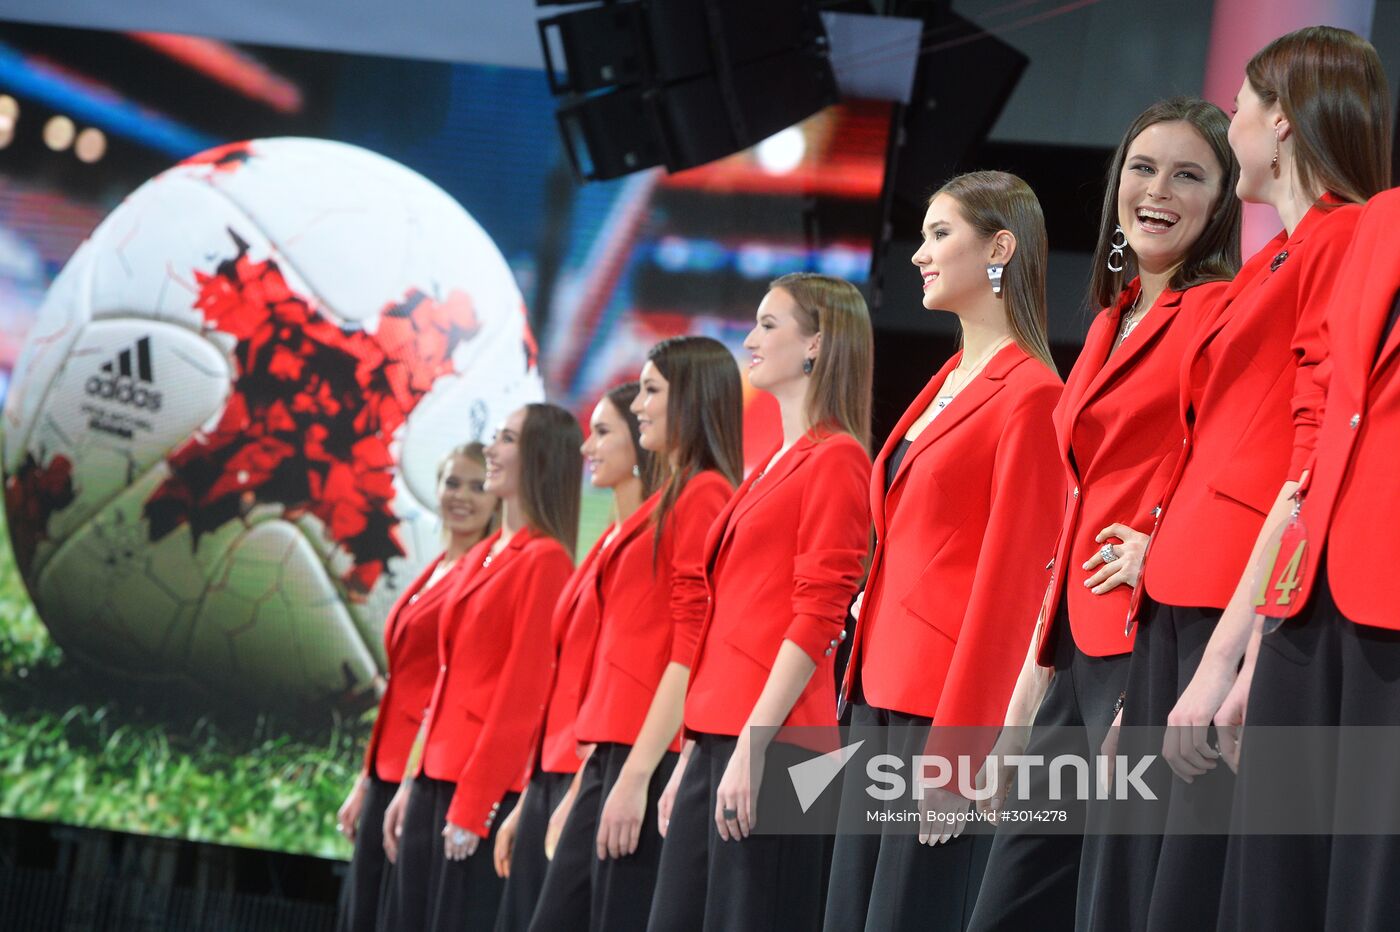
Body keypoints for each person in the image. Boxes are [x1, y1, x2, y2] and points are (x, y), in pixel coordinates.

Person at [1089, 28, 1391, 932]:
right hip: (1195, 584)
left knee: (1198, 879)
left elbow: (1309, 455)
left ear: (1285, 123)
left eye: (1242, 107)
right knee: (1148, 876)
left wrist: (1239, 651)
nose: (1231, 124)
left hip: (1251, 592)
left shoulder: (1340, 237)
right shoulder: (1277, 256)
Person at [966, 96, 1242, 932]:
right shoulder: (1110, 321)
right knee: (1010, 902)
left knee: (1106, 908)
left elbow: (1226, 462)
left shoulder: (1220, 309)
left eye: (1189, 174)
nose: (1158, 190)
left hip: (1144, 645)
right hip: (1074, 650)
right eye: (1144, 168)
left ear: (1224, 197)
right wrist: (1030, 683)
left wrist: (1159, 538)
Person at [822, 170, 1064, 932]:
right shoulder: (944, 383)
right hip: (876, 698)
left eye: (939, 235)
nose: (920, 254)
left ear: (999, 247)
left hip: (937, 716)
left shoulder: (1031, 393)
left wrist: (960, 755)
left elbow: (1012, 586)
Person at [646, 274, 873, 932]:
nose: (749, 339)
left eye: (769, 325)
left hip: (779, 749)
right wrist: (695, 750)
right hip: (722, 740)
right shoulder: (773, 462)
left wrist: (752, 745)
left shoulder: (837, 459)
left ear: (816, 345)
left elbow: (819, 613)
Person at [528, 339, 741, 932]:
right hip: (613, 753)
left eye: (651, 391)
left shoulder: (703, 495)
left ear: (690, 400)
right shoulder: (674, 497)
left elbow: (687, 645)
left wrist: (638, 774)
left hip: (639, 757)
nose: (639, 404)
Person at [382, 403, 582, 931]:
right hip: (434, 779)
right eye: (495, 436)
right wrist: (411, 780)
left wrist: (474, 804)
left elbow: (522, 696)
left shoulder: (545, 560)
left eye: (507, 439)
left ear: (539, 458)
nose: (491, 450)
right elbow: (446, 680)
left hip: (474, 789)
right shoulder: (485, 553)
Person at [493, 383, 656, 931]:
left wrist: (580, 785)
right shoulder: (608, 542)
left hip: (583, 772)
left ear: (641, 445)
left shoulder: (648, 543)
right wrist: (527, 796)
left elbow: (628, 676)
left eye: (604, 432)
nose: (588, 448)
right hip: (553, 773)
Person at [336, 443, 498, 932]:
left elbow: (456, 686)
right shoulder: (433, 571)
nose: (462, 496)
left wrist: (408, 777)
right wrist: (366, 779)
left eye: (478, 485)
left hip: (422, 774)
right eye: (452, 482)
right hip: (387, 770)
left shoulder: (484, 576)